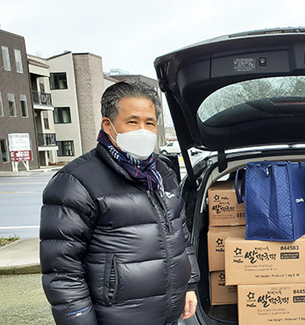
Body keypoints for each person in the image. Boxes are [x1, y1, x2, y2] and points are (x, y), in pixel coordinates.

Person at [39, 80, 200, 325]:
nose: (143, 131)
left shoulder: (162, 174)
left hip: (168, 316)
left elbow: (181, 235)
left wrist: (189, 285)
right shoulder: (75, 182)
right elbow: (63, 272)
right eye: (133, 122)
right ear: (109, 125)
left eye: (150, 123)